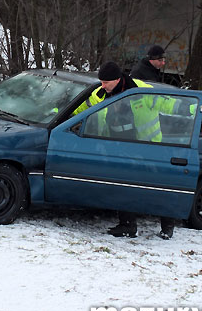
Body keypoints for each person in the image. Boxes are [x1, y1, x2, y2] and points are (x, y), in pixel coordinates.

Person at [73, 60, 184, 238]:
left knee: (157, 188)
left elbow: (169, 104)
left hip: (148, 147)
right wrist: (57, 114)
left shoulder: (141, 91)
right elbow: (80, 108)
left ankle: (167, 225)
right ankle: (127, 225)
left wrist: (194, 108)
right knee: (123, 186)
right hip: (119, 147)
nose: (102, 86)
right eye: (101, 82)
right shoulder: (100, 93)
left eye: (106, 82)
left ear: (117, 80)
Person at [130, 45, 176, 240]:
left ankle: (131, 225)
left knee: (139, 185)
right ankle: (166, 225)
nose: (163, 63)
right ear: (152, 59)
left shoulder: (143, 76)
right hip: (149, 144)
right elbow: (167, 104)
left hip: (144, 143)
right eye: (161, 60)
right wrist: (191, 107)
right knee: (157, 186)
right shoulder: (146, 82)